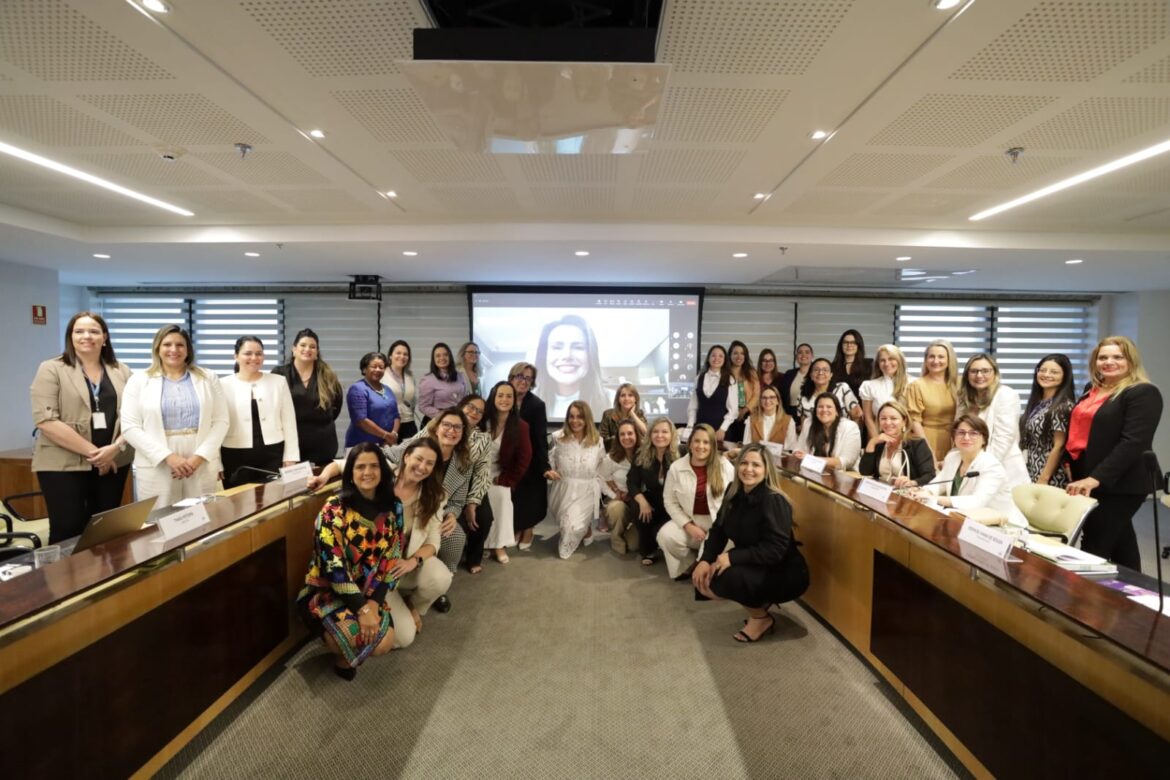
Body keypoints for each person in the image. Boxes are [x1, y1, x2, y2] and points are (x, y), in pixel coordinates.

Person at [295, 444, 400, 679]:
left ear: (382, 471)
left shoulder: (394, 507)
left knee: (385, 642)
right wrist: (363, 609)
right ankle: (342, 659)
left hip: (370, 589)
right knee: (355, 635)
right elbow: (334, 569)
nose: (367, 472)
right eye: (360, 467)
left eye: (374, 466)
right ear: (350, 473)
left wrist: (374, 603)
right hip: (329, 592)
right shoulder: (333, 509)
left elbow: (392, 557)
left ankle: (347, 653)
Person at [30, 311, 134, 543]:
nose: (87, 336)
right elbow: (45, 420)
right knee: (68, 530)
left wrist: (115, 449)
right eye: (79, 331)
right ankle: (64, 569)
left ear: (104, 337)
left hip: (114, 462)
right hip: (63, 464)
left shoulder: (121, 371)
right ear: (71, 336)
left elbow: (135, 418)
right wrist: (97, 455)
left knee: (105, 532)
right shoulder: (52, 368)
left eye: (94, 331)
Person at [692, 444, 810, 643]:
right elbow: (718, 530)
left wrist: (731, 557)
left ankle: (761, 618)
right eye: (744, 463)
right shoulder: (733, 492)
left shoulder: (774, 500)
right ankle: (758, 604)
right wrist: (705, 559)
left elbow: (775, 550)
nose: (748, 469)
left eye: (756, 465)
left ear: (766, 470)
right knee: (706, 577)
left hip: (785, 570)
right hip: (756, 561)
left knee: (725, 577)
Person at [1065, 336, 1163, 570]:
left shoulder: (1142, 392)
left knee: (1094, 545)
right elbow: (1081, 430)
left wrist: (1095, 478)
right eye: (1103, 357)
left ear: (1131, 360)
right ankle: (1137, 590)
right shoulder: (1092, 389)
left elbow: (1134, 442)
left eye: (1118, 357)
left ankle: (1080, 591)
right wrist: (1070, 462)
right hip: (1087, 474)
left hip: (1121, 483)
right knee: (1121, 544)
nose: (1109, 362)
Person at [120, 324, 228, 506]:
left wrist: (198, 457)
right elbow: (130, 427)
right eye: (167, 344)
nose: (174, 349)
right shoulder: (138, 380)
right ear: (157, 348)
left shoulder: (208, 377)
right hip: (157, 460)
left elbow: (221, 421)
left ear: (188, 349)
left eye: (180, 345)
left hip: (200, 458)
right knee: (159, 517)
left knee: (201, 514)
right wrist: (169, 457)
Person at [386, 408, 473, 613]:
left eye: (457, 427)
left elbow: (458, 499)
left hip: (438, 507)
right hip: (409, 500)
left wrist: (452, 514)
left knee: (454, 536)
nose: (451, 430)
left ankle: (437, 587)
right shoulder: (418, 445)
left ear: (463, 433)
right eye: (447, 425)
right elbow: (383, 455)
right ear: (436, 427)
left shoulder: (464, 463)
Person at [219, 336, 299, 488]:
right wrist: (216, 462)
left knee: (274, 498)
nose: (254, 358)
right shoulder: (222, 384)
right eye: (248, 353)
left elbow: (289, 422)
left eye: (259, 353)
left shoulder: (278, 382)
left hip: (273, 453)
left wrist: (291, 456)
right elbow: (216, 425)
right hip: (233, 455)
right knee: (238, 499)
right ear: (236, 356)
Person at [658, 423, 735, 580]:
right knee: (665, 536)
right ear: (690, 443)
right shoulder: (676, 468)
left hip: (719, 524)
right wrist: (688, 525)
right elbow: (669, 501)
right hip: (691, 520)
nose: (701, 446)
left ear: (712, 445)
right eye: (697, 441)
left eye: (706, 442)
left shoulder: (724, 465)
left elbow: (736, 496)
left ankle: (702, 561)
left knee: (714, 575)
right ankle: (691, 562)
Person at [914, 415, 1014, 519]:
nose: (966, 437)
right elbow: (939, 484)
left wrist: (933, 498)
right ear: (954, 437)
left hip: (999, 524)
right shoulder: (952, 457)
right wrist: (924, 492)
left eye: (973, 433)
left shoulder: (992, 466)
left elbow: (977, 502)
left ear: (984, 439)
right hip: (962, 517)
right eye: (961, 433)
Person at [272, 328, 343, 466]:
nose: (307, 349)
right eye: (303, 345)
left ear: (317, 352)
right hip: (290, 446)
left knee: (322, 479)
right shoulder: (279, 373)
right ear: (294, 349)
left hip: (323, 444)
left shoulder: (327, 375)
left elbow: (336, 407)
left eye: (312, 346)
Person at [546, 401, 607, 559]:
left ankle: (582, 527)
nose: (575, 421)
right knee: (565, 523)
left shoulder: (597, 441)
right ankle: (586, 528)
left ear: (587, 418)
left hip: (586, 491)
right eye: (571, 416)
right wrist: (549, 471)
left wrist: (610, 491)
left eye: (580, 417)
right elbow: (547, 461)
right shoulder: (557, 437)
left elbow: (602, 468)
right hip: (562, 489)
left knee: (570, 527)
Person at [480, 381, 533, 564]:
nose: (504, 399)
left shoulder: (521, 426)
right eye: (500, 395)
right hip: (475, 472)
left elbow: (524, 458)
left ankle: (498, 544)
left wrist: (506, 480)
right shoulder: (482, 420)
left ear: (514, 400)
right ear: (493, 397)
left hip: (498, 474)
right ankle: (483, 543)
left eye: (509, 396)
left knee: (502, 497)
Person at [958, 353, 1029, 488]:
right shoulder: (963, 398)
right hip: (971, 469)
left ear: (995, 373)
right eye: (974, 371)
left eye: (985, 371)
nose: (979, 375)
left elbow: (1003, 439)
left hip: (1001, 468)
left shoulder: (1006, 394)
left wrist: (978, 467)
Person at [626, 416, 679, 566]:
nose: (659, 435)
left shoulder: (682, 452)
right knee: (637, 505)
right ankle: (648, 550)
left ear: (672, 435)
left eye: (664, 432)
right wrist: (642, 501)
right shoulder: (641, 454)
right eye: (655, 431)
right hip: (653, 501)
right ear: (650, 434)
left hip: (675, 503)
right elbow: (632, 481)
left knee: (661, 535)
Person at [534, 314, 608, 419]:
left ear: (591, 355)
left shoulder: (615, 400)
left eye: (578, 347)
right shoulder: (526, 401)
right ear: (544, 355)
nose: (567, 355)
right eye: (557, 347)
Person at [509, 362, 549, 551]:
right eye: (520, 376)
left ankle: (528, 529)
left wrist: (544, 465)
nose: (523, 381)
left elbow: (540, 438)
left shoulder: (537, 405)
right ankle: (517, 527)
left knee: (530, 495)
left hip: (530, 457)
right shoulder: (501, 396)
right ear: (511, 377)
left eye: (528, 378)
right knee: (512, 497)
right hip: (505, 457)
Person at [1020, 354, 1075, 487]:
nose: (1046, 374)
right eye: (1043, 370)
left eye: (1054, 372)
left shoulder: (1062, 406)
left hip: (1050, 477)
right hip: (1032, 470)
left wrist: (1043, 479)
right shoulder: (1039, 402)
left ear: (1065, 376)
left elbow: (1059, 446)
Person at [905, 339, 959, 465]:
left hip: (957, 441)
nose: (935, 361)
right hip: (927, 440)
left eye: (941, 357)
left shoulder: (960, 383)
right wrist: (928, 452)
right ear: (925, 360)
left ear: (949, 359)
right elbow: (915, 422)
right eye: (931, 356)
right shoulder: (916, 386)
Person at [858, 400, 936, 487]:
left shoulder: (917, 444)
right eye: (883, 418)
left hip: (906, 492)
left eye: (893, 418)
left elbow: (930, 475)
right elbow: (865, 471)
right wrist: (872, 443)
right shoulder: (879, 443)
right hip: (881, 491)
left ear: (904, 421)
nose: (888, 423)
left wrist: (912, 483)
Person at [455, 394, 492, 574]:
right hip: (443, 484)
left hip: (471, 484)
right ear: (461, 406)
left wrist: (472, 503)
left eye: (480, 411)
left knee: (483, 517)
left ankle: (473, 558)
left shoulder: (483, 438)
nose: (474, 412)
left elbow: (482, 471)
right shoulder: (444, 425)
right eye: (471, 407)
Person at [599, 419, 641, 550]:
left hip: (639, 501)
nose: (626, 437)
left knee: (634, 546)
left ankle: (631, 528)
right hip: (618, 499)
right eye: (622, 434)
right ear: (618, 437)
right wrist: (615, 495)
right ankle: (616, 536)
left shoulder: (644, 456)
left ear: (636, 435)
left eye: (630, 433)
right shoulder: (611, 458)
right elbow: (601, 478)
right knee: (617, 508)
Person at [792, 393, 862, 471]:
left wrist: (811, 459)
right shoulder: (808, 423)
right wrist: (798, 455)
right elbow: (798, 450)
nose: (824, 410)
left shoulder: (850, 427)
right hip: (813, 471)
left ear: (837, 411)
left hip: (843, 474)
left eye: (829, 407)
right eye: (820, 407)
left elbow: (847, 461)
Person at [344, 351, 400, 448]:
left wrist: (393, 434)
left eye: (381, 367)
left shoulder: (388, 389)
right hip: (362, 445)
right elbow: (361, 420)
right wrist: (386, 435)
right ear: (364, 369)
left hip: (386, 444)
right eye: (374, 366)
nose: (378, 370)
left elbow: (396, 415)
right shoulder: (358, 389)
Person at [686, 344, 737, 442]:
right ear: (708, 358)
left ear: (725, 360)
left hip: (719, 430)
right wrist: (690, 426)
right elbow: (693, 406)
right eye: (713, 355)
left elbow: (733, 410)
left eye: (720, 356)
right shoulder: (699, 378)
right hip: (700, 428)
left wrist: (723, 429)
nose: (716, 358)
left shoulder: (730, 379)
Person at [860, 344, 908, 443]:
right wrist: (878, 441)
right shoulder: (869, 386)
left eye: (891, 359)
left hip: (908, 439)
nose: (886, 363)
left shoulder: (913, 384)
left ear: (900, 360)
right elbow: (868, 418)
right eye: (882, 360)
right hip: (879, 437)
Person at [798, 358, 861, 431]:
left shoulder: (842, 388)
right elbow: (804, 425)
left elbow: (857, 415)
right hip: (815, 436)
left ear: (831, 375)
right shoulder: (802, 396)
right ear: (811, 375)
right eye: (816, 370)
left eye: (825, 370)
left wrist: (853, 434)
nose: (820, 372)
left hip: (844, 434)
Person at [418, 342, 468, 425]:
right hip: (437, 422)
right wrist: (444, 415)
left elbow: (465, 399)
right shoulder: (428, 380)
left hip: (457, 419)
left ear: (450, 357)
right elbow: (423, 406)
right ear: (433, 359)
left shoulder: (460, 376)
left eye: (445, 355)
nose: (442, 358)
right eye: (438, 356)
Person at [739, 385, 798, 452]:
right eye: (764, 398)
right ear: (760, 401)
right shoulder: (751, 419)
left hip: (778, 458)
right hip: (756, 457)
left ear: (778, 401)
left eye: (772, 397)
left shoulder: (788, 421)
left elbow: (790, 448)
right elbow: (746, 446)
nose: (767, 401)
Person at [597, 382, 648, 451]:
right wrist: (623, 439)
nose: (626, 398)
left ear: (635, 399)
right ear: (618, 399)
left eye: (630, 395)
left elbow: (646, 434)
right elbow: (602, 439)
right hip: (613, 452)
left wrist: (632, 414)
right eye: (623, 395)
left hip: (635, 453)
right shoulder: (608, 414)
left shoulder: (640, 413)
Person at [726, 340, 759, 444]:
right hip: (727, 414)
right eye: (735, 353)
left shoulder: (751, 372)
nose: (739, 356)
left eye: (742, 353)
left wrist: (744, 410)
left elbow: (756, 394)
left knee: (744, 444)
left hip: (747, 414)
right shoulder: (724, 373)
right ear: (730, 355)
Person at [384, 340, 418, 439]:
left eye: (405, 354)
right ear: (390, 356)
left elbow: (413, 400)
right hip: (389, 424)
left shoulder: (410, 375)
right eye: (398, 353)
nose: (402, 356)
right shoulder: (382, 374)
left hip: (409, 423)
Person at [778, 343, 814, 418]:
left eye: (807, 352)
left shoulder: (817, 375)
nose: (803, 355)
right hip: (789, 414)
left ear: (812, 356)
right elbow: (781, 395)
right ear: (796, 357)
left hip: (810, 414)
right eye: (800, 352)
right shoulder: (789, 374)